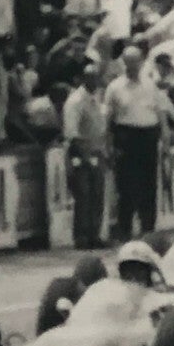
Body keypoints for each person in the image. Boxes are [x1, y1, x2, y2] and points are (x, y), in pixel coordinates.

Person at [104, 44, 174, 241]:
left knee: (148, 184)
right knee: (126, 185)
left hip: (148, 136)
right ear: (124, 63)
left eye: (136, 62)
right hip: (126, 136)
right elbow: (108, 120)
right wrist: (108, 145)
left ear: (141, 62)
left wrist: (165, 137)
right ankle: (124, 229)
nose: (132, 66)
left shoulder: (150, 85)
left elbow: (161, 113)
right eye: (129, 63)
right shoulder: (115, 87)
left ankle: (148, 227)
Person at [61, 61, 108, 249]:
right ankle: (81, 236)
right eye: (90, 77)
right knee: (84, 195)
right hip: (80, 154)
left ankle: (94, 234)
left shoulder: (95, 98)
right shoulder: (75, 101)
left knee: (97, 194)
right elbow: (72, 134)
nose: (94, 81)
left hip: (97, 150)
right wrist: (86, 156)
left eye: (96, 77)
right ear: (83, 79)